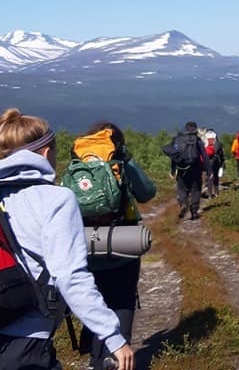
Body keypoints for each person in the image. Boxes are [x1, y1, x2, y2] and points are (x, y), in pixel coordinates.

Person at [0, 108, 135, 370]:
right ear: (45, 153)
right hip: (25, 343)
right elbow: (70, 276)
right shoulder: (56, 199)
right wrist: (113, 337)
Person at [77, 121, 157, 370]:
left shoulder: (78, 163)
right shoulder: (121, 161)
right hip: (124, 242)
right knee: (122, 300)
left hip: (88, 244)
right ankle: (115, 359)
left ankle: (95, 360)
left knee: (95, 299)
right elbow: (146, 192)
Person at [164, 121, 204, 220]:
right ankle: (194, 211)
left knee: (182, 188)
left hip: (182, 169)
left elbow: (174, 156)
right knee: (195, 189)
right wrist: (209, 170)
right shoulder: (197, 140)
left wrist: (173, 170)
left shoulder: (178, 139)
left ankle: (183, 204)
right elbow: (204, 155)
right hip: (196, 168)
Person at [200, 127, 225, 198]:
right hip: (216, 161)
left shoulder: (204, 142)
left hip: (207, 161)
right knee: (215, 176)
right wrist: (222, 163)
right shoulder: (218, 143)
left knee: (209, 177)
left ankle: (210, 194)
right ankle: (216, 192)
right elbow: (221, 154)